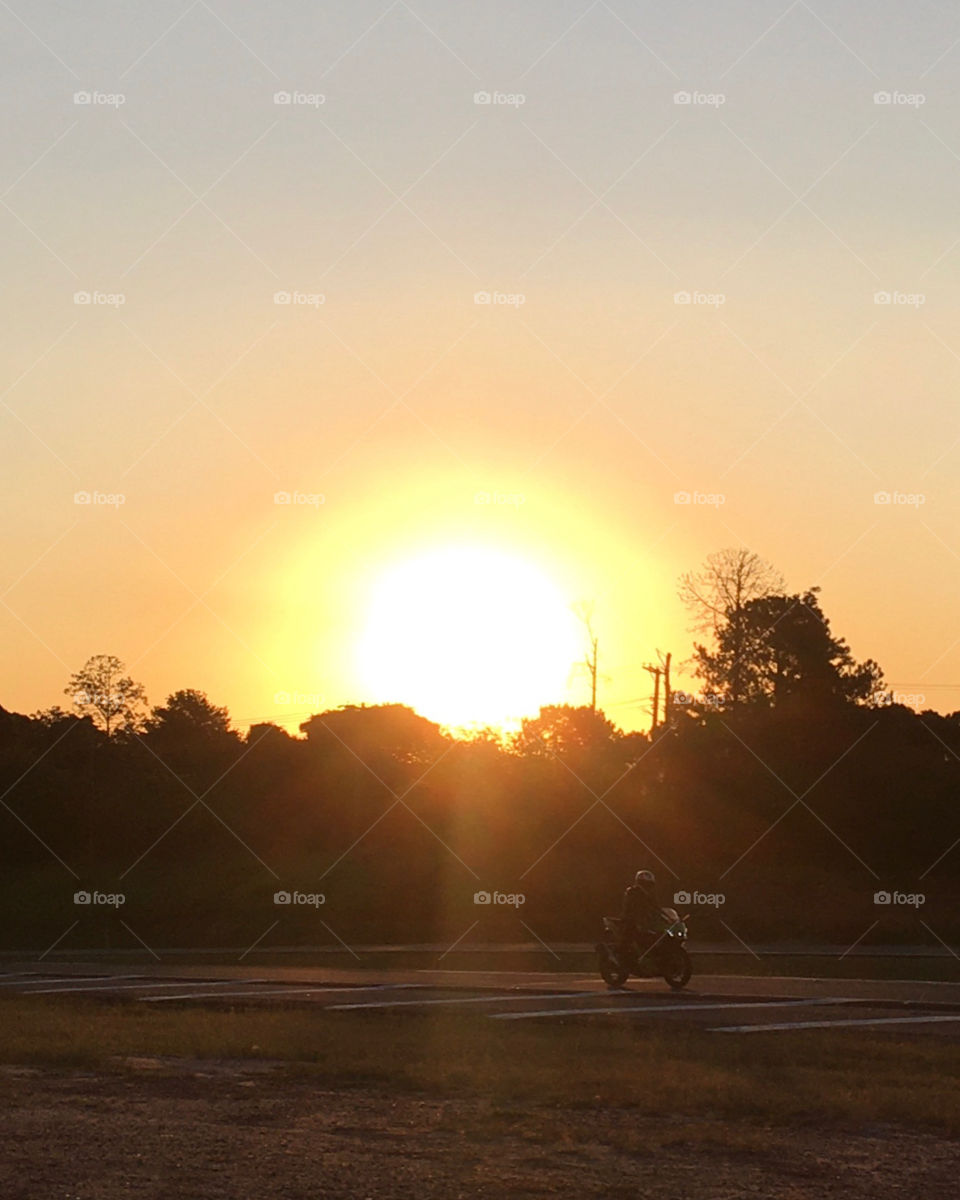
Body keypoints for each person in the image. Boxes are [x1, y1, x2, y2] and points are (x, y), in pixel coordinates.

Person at [619, 869, 661, 955]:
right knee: (630, 932)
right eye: (645, 883)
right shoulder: (632, 892)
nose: (647, 886)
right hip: (632, 919)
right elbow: (632, 906)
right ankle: (623, 953)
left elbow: (656, 906)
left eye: (649, 884)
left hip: (645, 920)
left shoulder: (650, 895)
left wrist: (662, 913)